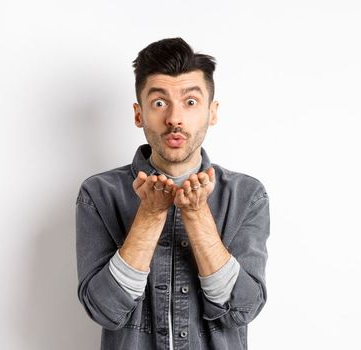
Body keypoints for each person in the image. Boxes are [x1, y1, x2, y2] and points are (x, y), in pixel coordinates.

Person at [75, 37, 270, 349]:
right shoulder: (98, 194)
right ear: (139, 114)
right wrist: (150, 216)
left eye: (190, 102)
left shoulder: (247, 195)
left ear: (212, 112)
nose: (175, 118)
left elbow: (242, 309)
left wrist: (196, 215)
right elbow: (104, 310)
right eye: (160, 103)